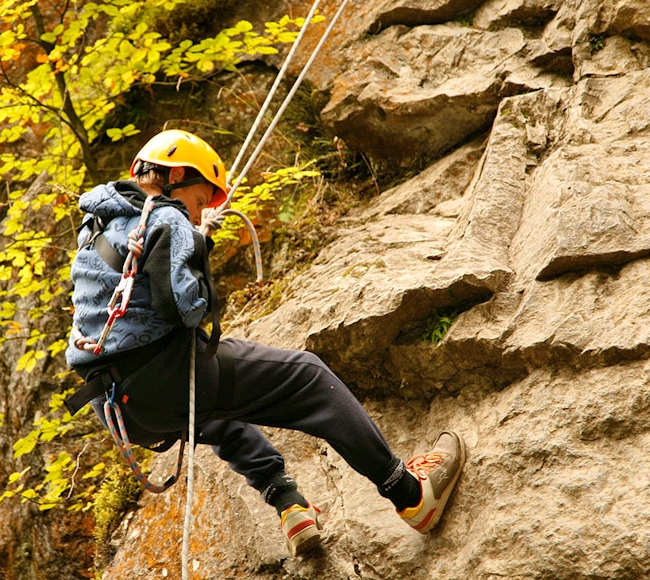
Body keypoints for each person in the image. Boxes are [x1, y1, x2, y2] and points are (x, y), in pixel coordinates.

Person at [65, 129, 466, 555]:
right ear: (177, 175)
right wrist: (196, 247)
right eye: (200, 200)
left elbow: (137, 293)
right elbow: (182, 307)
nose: (199, 212)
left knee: (219, 411)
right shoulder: (167, 219)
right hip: (163, 378)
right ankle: (410, 493)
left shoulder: (100, 224)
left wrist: (192, 240)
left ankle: (289, 504)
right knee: (310, 377)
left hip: (117, 406)